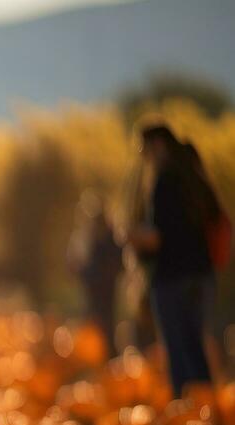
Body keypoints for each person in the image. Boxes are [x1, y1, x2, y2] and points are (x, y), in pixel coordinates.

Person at [129, 120, 222, 395]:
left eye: (144, 150)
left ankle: (187, 412)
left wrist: (131, 236)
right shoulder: (195, 177)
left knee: (178, 351)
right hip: (202, 274)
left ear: (158, 145)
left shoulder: (164, 181)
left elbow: (159, 236)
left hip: (172, 277)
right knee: (195, 346)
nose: (144, 158)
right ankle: (207, 411)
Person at [66, 192, 122, 358]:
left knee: (106, 322)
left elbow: (118, 260)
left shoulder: (110, 235)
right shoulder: (83, 235)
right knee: (93, 322)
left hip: (105, 285)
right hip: (91, 285)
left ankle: (107, 356)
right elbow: (73, 261)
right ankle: (94, 357)